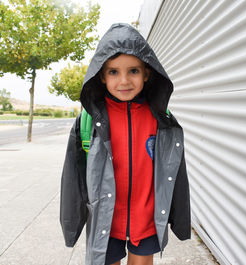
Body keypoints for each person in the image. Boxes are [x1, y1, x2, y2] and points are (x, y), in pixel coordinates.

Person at [59, 23, 191, 265]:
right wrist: (72, 223)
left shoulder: (161, 119)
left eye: (133, 71)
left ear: (147, 73)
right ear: (101, 74)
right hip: (106, 222)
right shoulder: (90, 120)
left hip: (147, 219)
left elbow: (175, 172)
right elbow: (73, 176)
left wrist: (180, 219)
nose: (124, 81)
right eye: (113, 72)